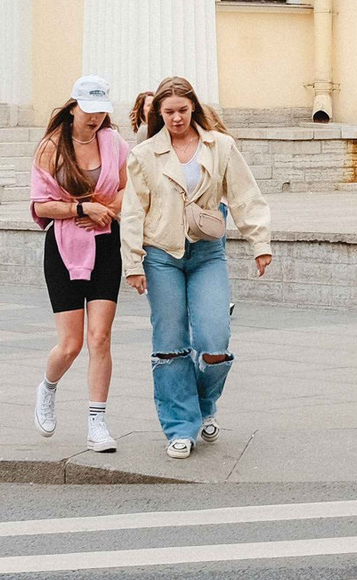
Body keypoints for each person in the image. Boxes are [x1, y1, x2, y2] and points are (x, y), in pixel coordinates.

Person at [118, 76, 272, 459]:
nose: (176, 118)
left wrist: (260, 243)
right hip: (161, 256)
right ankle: (179, 427)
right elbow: (133, 211)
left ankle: (204, 404)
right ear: (159, 113)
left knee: (215, 342)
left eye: (183, 111)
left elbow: (245, 196)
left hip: (207, 254)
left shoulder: (220, 146)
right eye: (169, 112)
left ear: (193, 108)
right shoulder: (144, 155)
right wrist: (132, 262)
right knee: (170, 344)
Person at [31, 74, 129, 452]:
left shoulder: (114, 142)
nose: (95, 118)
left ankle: (97, 422)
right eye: (89, 110)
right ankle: (48, 387)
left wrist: (107, 209)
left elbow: (129, 188)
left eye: (101, 111)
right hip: (63, 247)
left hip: (105, 245)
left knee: (100, 337)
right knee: (70, 345)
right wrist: (81, 209)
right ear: (73, 107)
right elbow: (41, 206)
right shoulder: (51, 148)